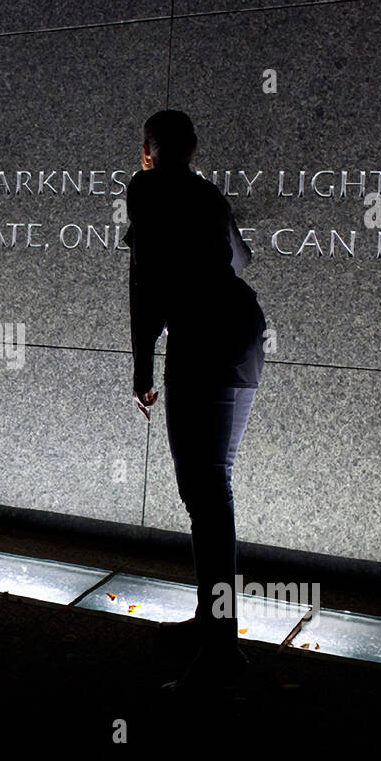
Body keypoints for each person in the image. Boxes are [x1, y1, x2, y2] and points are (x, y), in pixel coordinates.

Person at [125, 109, 267, 689]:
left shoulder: (145, 187)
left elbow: (145, 281)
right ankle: (215, 626)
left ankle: (221, 647)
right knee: (213, 486)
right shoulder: (208, 195)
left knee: (205, 492)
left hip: (201, 339)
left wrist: (141, 364)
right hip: (239, 333)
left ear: (150, 148)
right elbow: (243, 260)